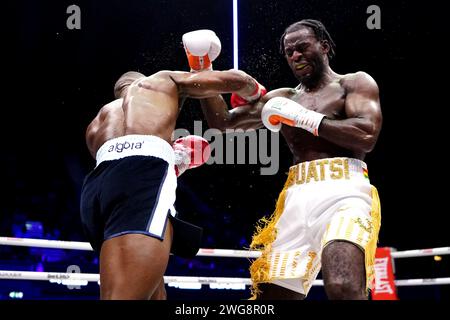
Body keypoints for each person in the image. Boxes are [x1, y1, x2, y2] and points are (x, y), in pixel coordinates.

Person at [196, 20, 382, 300]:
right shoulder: (282, 97)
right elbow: (223, 122)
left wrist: (303, 118)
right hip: (295, 199)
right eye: (289, 51)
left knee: (343, 286)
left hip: (345, 194)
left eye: (302, 47)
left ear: (324, 47)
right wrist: (202, 67)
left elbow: (365, 135)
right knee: (273, 296)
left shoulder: (354, 83)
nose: (295, 55)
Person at [80, 32, 266, 300]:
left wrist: (174, 157)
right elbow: (236, 80)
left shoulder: (97, 123)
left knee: (148, 289)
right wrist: (252, 93)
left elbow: (117, 164)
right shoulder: (157, 82)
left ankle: (176, 160)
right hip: (141, 176)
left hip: (96, 190)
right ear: (138, 82)